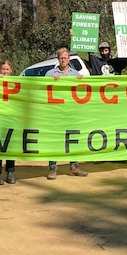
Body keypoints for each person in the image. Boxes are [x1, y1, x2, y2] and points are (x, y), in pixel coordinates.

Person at [46, 48, 89, 180]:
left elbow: (83, 91)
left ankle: (74, 167)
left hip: (71, 112)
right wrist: (50, 81)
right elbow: (42, 89)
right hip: (56, 112)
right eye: (61, 58)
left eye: (65, 58)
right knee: (55, 140)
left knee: (73, 139)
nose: (63, 60)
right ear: (58, 59)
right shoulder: (50, 74)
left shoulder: (75, 74)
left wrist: (81, 81)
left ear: (69, 59)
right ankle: (53, 168)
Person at [0, 60, 17, 185]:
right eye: (3, 69)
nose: (5, 72)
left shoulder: (17, 83)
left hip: (11, 118)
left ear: (11, 70)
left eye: (7, 69)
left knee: (11, 146)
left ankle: (10, 172)